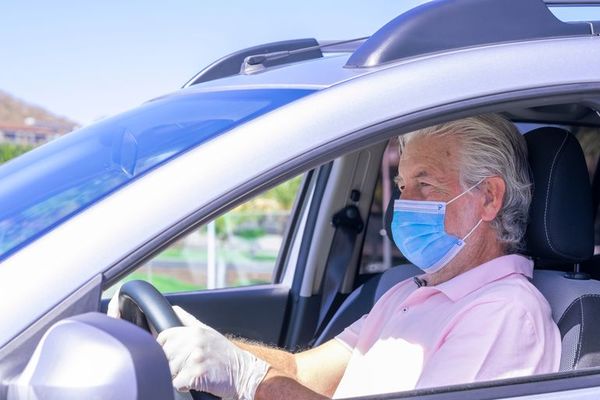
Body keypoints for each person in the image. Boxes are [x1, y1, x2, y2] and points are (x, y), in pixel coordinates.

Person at [109, 114, 560, 400]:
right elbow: (306, 371)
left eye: (426, 184)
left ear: (488, 198)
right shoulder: (411, 290)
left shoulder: (503, 314)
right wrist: (206, 346)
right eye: (402, 186)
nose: (405, 202)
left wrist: (250, 381)